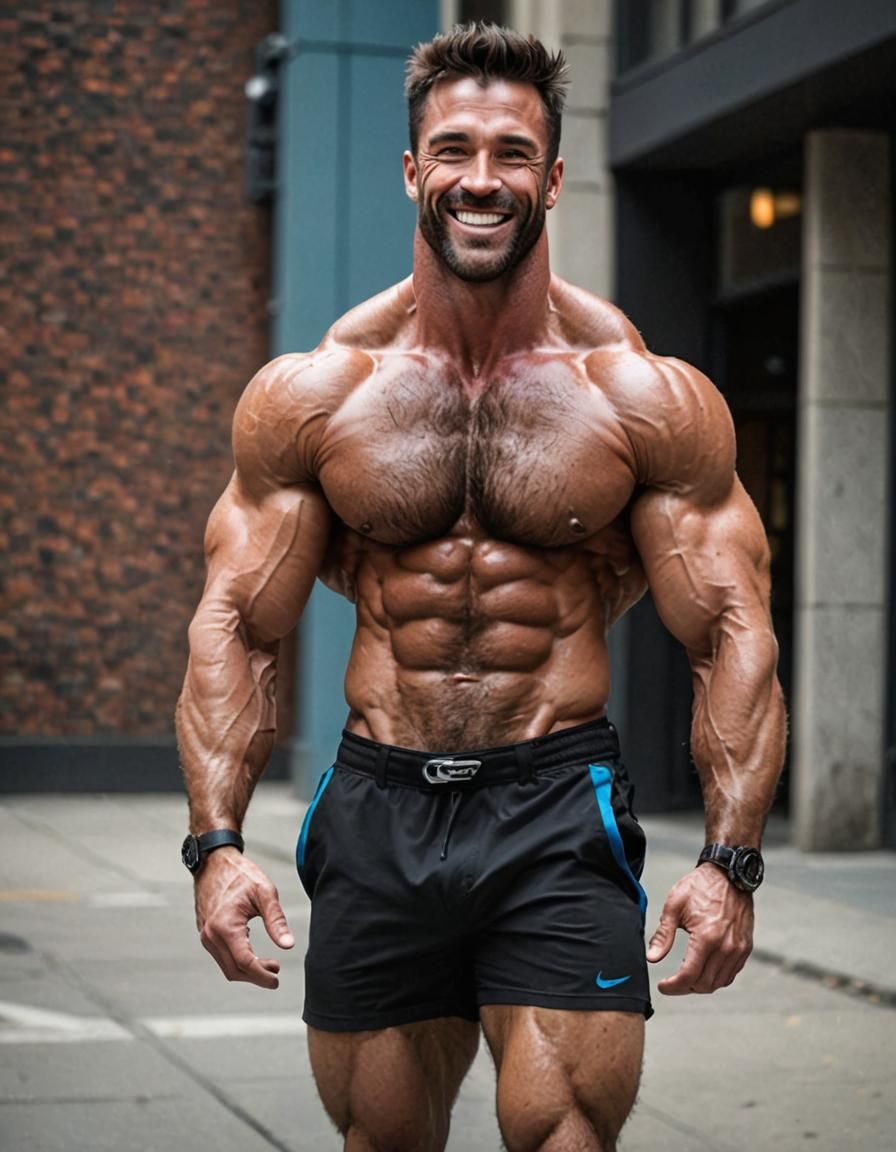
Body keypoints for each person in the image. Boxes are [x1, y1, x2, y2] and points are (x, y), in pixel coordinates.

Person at [176, 22, 785, 1152]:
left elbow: (732, 631)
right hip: (378, 803)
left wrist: (728, 861)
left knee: (562, 1135)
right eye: (452, 149)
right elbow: (234, 623)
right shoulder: (317, 394)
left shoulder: (636, 398)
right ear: (412, 170)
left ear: (551, 176)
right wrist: (214, 846)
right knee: (383, 1138)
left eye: (512, 153)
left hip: (554, 801)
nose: (481, 178)